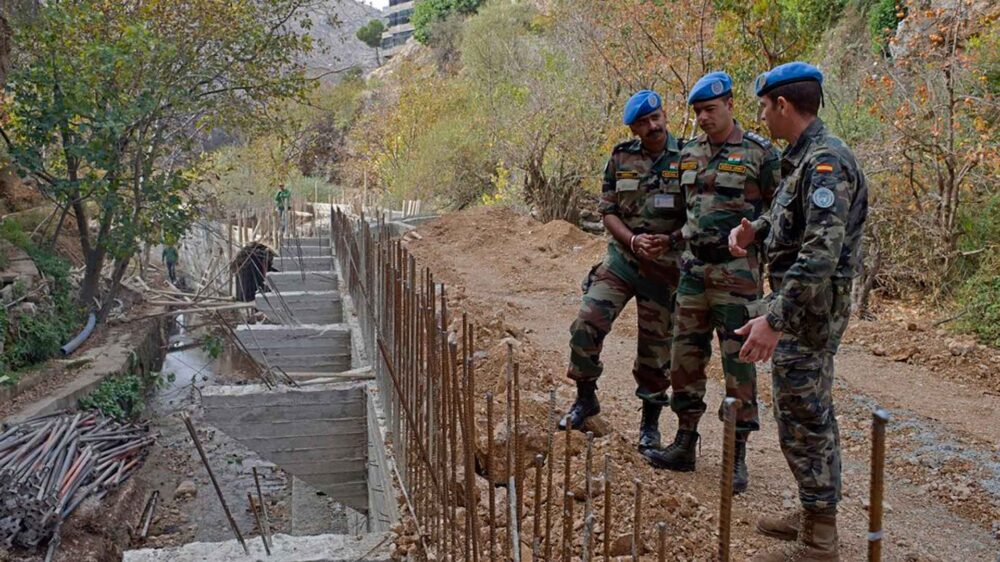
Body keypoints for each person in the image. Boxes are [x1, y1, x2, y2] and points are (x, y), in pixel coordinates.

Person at [728, 62, 868, 561]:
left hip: (807, 313)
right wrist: (756, 231)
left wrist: (774, 319)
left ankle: (821, 535)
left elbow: (819, 256)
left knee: (805, 417)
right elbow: (789, 215)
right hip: (797, 307)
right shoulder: (803, 159)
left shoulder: (828, 162)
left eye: (765, 107)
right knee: (796, 414)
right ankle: (812, 511)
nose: (762, 116)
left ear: (783, 105)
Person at [643, 72, 780, 496]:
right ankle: (685, 441)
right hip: (693, 272)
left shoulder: (760, 154)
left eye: (710, 110)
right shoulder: (688, 153)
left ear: (730, 105)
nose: (703, 118)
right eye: (698, 112)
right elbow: (688, 215)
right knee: (683, 358)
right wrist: (670, 242)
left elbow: (780, 217)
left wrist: (774, 278)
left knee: (738, 364)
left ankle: (736, 455)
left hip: (736, 276)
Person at [560, 90, 686, 452]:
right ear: (634, 128)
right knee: (587, 323)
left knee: (655, 349)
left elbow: (700, 213)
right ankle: (585, 399)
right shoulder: (621, 157)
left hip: (665, 268)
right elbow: (608, 210)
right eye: (643, 123)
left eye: (656, 118)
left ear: (665, 115)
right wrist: (632, 242)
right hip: (622, 262)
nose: (653, 126)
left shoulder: (690, 157)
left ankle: (650, 425)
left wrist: (671, 239)